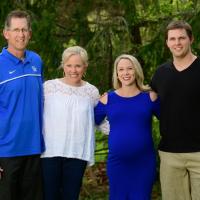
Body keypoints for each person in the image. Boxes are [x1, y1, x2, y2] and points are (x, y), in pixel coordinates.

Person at [41, 46, 107, 200]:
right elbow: (34, 115)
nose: (73, 70)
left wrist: (124, 124)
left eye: (78, 65)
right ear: (63, 65)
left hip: (77, 154)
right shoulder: (48, 87)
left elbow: (100, 121)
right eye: (69, 65)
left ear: (85, 66)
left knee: (71, 196)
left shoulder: (91, 91)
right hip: (50, 153)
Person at [94, 54, 160, 200]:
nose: (126, 73)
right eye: (121, 69)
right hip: (117, 162)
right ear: (116, 74)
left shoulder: (150, 97)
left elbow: (170, 120)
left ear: (136, 71)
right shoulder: (108, 98)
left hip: (144, 162)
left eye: (129, 69)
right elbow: (92, 120)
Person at [151, 20, 200, 200]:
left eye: (181, 38)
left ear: (191, 39)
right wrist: (112, 96)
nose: (177, 43)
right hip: (170, 153)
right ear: (167, 42)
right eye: (172, 39)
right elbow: (146, 100)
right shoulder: (160, 73)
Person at [0, 10, 44, 200]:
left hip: (34, 149)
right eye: (16, 30)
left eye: (24, 30)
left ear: (30, 33)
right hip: (6, 152)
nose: (21, 34)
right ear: (6, 33)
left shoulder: (36, 60)